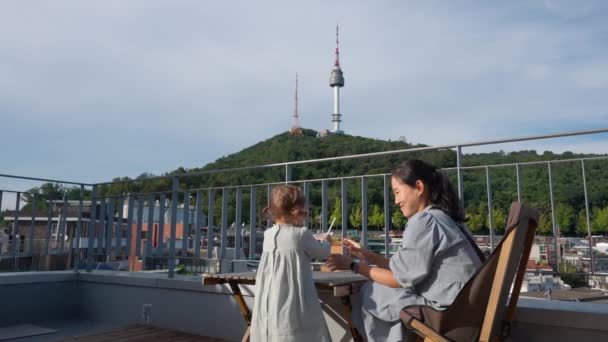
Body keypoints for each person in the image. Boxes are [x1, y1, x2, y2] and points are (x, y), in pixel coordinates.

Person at [326, 159, 484, 341]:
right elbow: (405, 270)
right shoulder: (447, 219)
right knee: (381, 294)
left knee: (372, 292)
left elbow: (397, 279)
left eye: (397, 192)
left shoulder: (425, 221)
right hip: (468, 311)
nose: (396, 201)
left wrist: (352, 265)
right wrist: (366, 255)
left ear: (418, 187)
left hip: (449, 316)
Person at [251, 185, 333, 342]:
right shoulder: (301, 234)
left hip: (270, 297)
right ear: (297, 211)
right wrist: (326, 241)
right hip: (294, 295)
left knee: (274, 327)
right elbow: (323, 253)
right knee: (296, 325)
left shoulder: (268, 235)